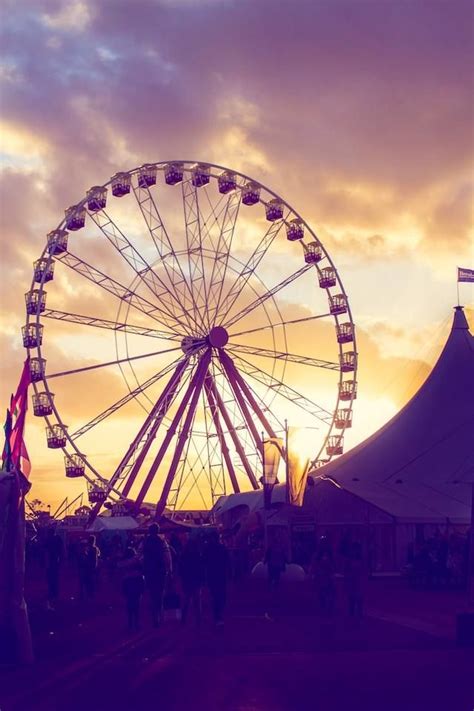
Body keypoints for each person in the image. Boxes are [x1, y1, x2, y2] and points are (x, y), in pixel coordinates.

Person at [143, 523, 172, 627]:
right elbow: (167, 557)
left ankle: (154, 617)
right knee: (160, 595)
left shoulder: (145, 542)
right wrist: (170, 570)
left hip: (149, 571)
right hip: (160, 571)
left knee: (151, 594)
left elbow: (140, 556)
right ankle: (159, 616)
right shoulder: (162, 542)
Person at [203, 532, 229, 625]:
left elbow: (204, 562)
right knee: (221, 595)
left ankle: (216, 616)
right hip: (221, 575)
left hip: (212, 575)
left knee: (214, 595)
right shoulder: (223, 548)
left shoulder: (208, 549)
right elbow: (228, 563)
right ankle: (219, 615)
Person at [179, 536, 203, 625]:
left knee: (186, 600)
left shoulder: (184, 555)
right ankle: (198, 620)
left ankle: (184, 619)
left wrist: (181, 578)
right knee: (197, 601)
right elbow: (201, 568)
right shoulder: (198, 555)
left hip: (187, 579)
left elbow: (181, 568)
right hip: (195, 579)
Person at [311, 535, 336, 615]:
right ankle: (326, 609)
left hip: (321, 575)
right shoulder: (329, 552)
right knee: (326, 592)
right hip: (326, 575)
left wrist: (312, 572)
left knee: (322, 592)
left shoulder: (318, 553)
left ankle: (323, 608)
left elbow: (314, 563)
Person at [122, 562, 146, 632]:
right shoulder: (137, 564)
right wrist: (142, 589)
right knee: (136, 608)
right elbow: (142, 577)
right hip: (136, 589)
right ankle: (136, 624)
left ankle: (130, 625)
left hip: (129, 589)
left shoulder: (125, 565)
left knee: (129, 608)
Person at [344, 541, 364, 617]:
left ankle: (353, 613)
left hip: (353, 579)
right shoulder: (358, 560)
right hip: (356, 580)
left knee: (353, 598)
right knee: (356, 598)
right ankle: (356, 614)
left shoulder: (350, 559)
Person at [45, 527, 63, 609]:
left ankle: (51, 593)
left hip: (50, 562)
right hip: (56, 561)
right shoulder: (57, 539)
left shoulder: (48, 540)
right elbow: (61, 549)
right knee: (55, 578)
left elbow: (44, 551)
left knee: (50, 578)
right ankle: (55, 593)